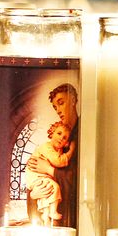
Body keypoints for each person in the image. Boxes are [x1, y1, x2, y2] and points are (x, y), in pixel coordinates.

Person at [26, 82, 80, 226]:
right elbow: (36, 174)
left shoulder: (81, 135)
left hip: (74, 216)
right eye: (55, 107)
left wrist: (48, 169)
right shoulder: (57, 140)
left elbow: (80, 180)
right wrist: (33, 194)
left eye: (61, 103)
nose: (58, 110)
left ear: (73, 100)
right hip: (53, 213)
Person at [23, 121, 75, 224]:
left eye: (65, 138)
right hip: (37, 177)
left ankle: (48, 214)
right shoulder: (47, 148)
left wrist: (48, 169)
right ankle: (48, 214)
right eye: (59, 133)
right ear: (52, 133)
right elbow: (58, 161)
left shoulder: (60, 151)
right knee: (50, 188)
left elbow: (72, 180)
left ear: (67, 142)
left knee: (52, 189)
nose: (61, 138)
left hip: (63, 215)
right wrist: (71, 152)